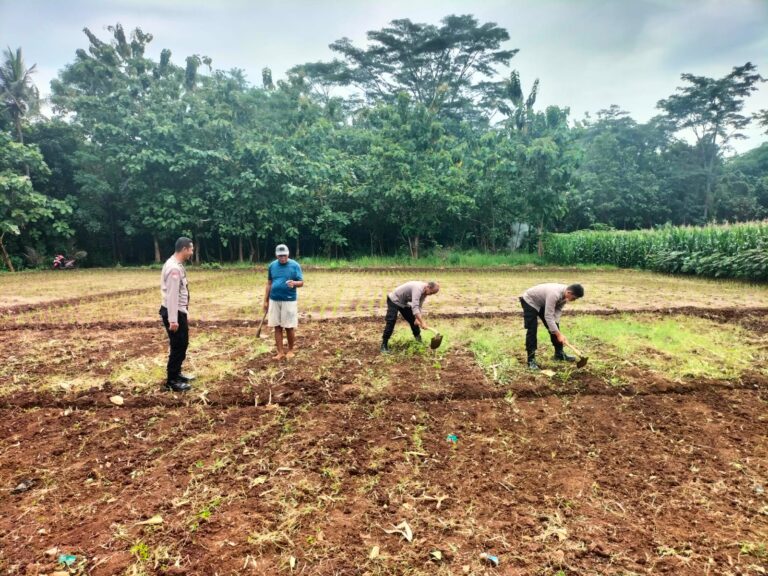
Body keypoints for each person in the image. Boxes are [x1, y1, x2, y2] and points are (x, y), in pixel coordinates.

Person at [519, 283, 584, 370]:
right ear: (569, 292)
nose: (574, 300)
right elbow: (548, 316)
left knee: (554, 327)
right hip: (530, 301)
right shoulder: (554, 294)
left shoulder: (565, 297)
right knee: (532, 329)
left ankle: (559, 354)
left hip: (543, 302)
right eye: (574, 298)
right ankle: (531, 360)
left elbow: (557, 311)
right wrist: (558, 334)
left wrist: (556, 330)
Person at [159, 237, 196, 392]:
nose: (192, 252)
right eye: (191, 249)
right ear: (184, 249)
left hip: (178, 312)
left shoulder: (176, 264)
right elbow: (172, 295)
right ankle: (171, 381)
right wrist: (173, 320)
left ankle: (177, 373)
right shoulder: (174, 268)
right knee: (178, 346)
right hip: (174, 313)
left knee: (183, 343)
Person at [263, 244, 304, 360]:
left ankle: (290, 350)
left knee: (289, 326)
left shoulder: (295, 265)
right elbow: (269, 283)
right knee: (277, 326)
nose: (282, 258)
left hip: (289, 300)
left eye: (284, 255)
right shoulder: (272, 266)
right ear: (276, 255)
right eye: (280, 256)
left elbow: (301, 282)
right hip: (274, 299)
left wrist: (294, 283)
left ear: (288, 254)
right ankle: (280, 352)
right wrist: (266, 301)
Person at [381, 280, 440, 354]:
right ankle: (384, 345)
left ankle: (418, 341)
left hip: (403, 303)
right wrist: (422, 322)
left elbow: (419, 306)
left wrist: (417, 319)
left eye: (432, 294)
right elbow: (415, 307)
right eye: (431, 292)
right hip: (394, 300)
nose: (430, 295)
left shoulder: (425, 292)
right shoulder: (418, 288)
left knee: (413, 320)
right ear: (428, 287)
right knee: (391, 320)